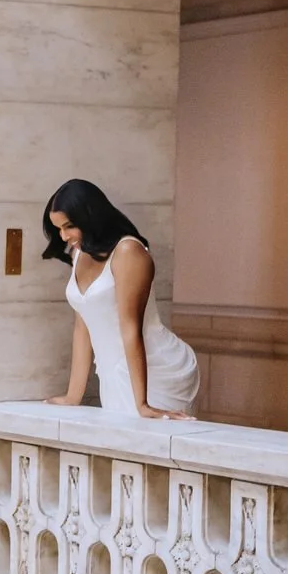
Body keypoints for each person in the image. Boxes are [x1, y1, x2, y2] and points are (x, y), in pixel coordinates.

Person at [41, 178, 198, 419]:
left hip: (154, 371)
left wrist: (142, 404)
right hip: (112, 372)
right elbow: (83, 328)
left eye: (69, 226)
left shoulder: (128, 252)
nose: (63, 236)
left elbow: (130, 328)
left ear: (90, 216)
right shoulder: (79, 253)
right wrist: (73, 396)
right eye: (58, 228)